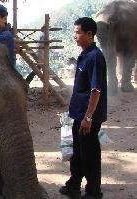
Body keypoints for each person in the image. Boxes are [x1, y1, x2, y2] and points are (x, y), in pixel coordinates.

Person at [59, 17, 107, 199]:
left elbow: (96, 90)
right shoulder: (85, 54)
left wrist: (88, 117)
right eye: (74, 32)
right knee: (78, 152)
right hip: (78, 114)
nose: (75, 36)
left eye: (78, 32)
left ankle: (94, 192)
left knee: (90, 155)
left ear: (90, 34)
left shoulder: (95, 57)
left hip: (88, 117)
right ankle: (74, 185)